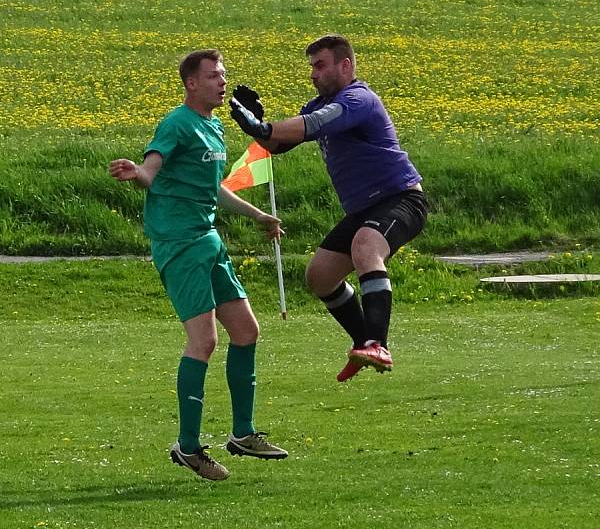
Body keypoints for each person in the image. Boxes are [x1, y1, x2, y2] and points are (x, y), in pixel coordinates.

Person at [109, 49, 288, 482]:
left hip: (207, 239)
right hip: (179, 243)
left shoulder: (213, 126)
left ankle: (243, 434)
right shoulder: (177, 123)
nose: (222, 82)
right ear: (192, 83)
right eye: (213, 76)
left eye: (223, 74)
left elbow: (214, 190)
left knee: (246, 331)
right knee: (203, 342)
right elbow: (154, 169)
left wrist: (258, 215)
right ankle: (188, 447)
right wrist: (139, 172)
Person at [229, 34, 428, 383]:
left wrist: (263, 127)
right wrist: (257, 123)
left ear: (345, 65)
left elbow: (315, 125)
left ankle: (377, 344)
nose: (313, 74)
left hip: (401, 199)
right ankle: (362, 343)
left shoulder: (358, 98)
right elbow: (277, 144)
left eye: (320, 65)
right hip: (364, 209)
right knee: (319, 276)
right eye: (311, 67)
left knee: (365, 246)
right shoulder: (318, 104)